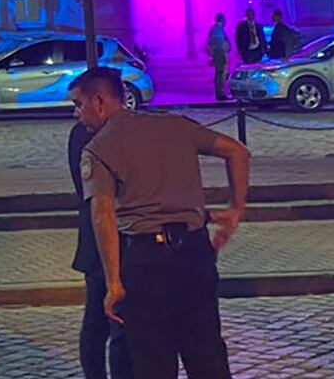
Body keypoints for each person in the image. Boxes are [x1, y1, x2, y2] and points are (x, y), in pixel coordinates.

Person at [73, 67, 250, 379]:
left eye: (79, 104)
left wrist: (113, 283)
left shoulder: (98, 148)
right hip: (195, 252)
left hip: (145, 261)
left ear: (99, 101)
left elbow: (103, 214)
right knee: (207, 354)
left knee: (152, 360)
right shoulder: (173, 125)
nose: (77, 114)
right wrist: (235, 209)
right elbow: (236, 151)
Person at [70, 118, 132, 378]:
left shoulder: (119, 131)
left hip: (116, 243)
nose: (76, 112)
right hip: (102, 243)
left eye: (79, 104)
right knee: (105, 325)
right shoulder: (87, 135)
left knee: (104, 326)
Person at [205, 14, 231, 102]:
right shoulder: (217, 29)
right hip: (219, 53)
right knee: (220, 72)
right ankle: (220, 93)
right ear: (222, 19)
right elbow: (219, 43)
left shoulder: (216, 29)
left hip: (219, 53)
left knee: (220, 73)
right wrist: (224, 52)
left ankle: (220, 92)